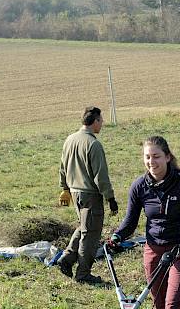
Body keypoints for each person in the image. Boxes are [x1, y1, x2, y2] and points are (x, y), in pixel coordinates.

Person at [110, 136, 180, 309]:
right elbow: (130, 221)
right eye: (147, 157)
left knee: (172, 305)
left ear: (167, 157)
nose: (151, 162)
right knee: (159, 304)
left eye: (156, 156)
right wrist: (118, 235)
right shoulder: (139, 186)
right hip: (154, 251)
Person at [56, 106, 119, 284]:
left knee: (84, 228)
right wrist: (110, 198)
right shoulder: (93, 144)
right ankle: (83, 274)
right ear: (95, 121)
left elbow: (62, 167)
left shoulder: (70, 139)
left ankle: (66, 259)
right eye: (101, 120)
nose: (103, 124)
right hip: (90, 195)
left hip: (75, 193)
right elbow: (101, 175)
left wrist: (65, 189)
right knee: (91, 235)